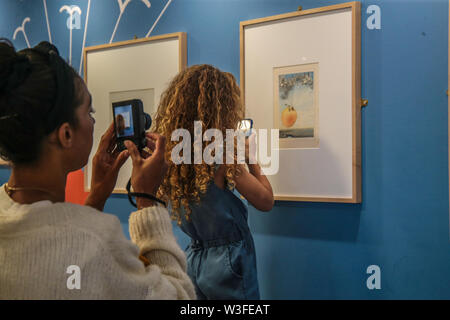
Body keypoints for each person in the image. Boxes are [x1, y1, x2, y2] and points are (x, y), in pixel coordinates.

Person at [0, 40, 196, 299]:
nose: (95, 124)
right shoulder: (98, 241)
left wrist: (96, 197)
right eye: (88, 112)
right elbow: (179, 296)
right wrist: (148, 200)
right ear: (66, 134)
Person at [152, 64, 274, 299]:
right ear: (222, 108)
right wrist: (251, 158)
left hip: (193, 260)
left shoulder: (172, 157)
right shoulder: (222, 156)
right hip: (230, 260)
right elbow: (266, 200)